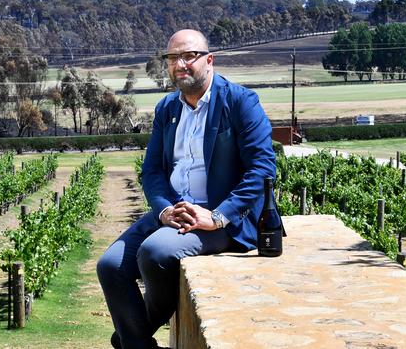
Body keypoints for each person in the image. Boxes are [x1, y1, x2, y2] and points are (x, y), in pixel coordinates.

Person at [96, 29, 276, 349]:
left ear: (209, 60)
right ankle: (134, 340)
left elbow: (262, 169)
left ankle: (130, 337)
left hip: (222, 218)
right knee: (109, 266)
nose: (181, 64)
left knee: (155, 253)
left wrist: (218, 216)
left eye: (189, 56)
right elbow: (152, 169)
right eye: (173, 58)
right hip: (175, 210)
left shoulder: (240, 102)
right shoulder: (167, 109)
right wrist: (164, 209)